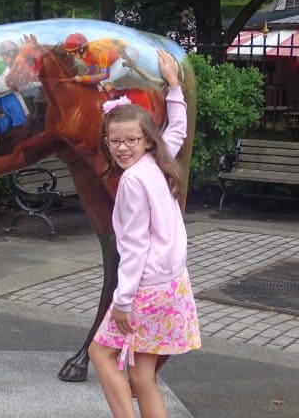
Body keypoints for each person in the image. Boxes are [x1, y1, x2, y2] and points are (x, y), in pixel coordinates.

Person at [88, 49, 200, 418]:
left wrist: (122, 301)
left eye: (131, 140)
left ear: (146, 140)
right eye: (114, 141)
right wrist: (173, 87)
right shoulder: (157, 159)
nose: (122, 148)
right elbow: (178, 130)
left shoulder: (133, 180)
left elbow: (134, 246)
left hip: (146, 290)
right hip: (174, 283)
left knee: (100, 353)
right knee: (141, 373)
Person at [64, 32, 136, 100]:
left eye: (73, 54)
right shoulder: (85, 54)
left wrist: (83, 79)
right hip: (117, 55)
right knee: (98, 81)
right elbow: (92, 70)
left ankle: (117, 104)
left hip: (127, 54)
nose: (74, 57)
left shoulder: (99, 51)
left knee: (105, 80)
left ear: (81, 49)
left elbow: (105, 75)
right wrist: (81, 78)